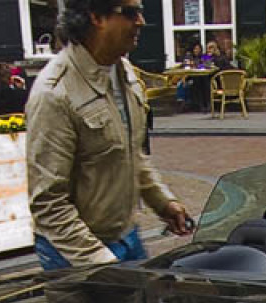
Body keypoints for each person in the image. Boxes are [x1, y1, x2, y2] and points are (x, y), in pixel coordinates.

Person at [26, 0, 191, 270]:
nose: (141, 21)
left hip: (127, 237)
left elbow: (132, 152)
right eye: (129, 13)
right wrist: (101, 263)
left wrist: (163, 202)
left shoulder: (124, 72)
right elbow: (49, 203)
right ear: (96, 17)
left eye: (140, 11)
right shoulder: (54, 94)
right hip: (73, 253)